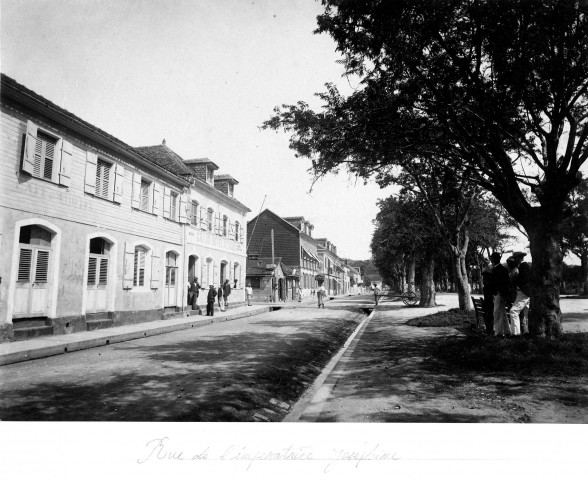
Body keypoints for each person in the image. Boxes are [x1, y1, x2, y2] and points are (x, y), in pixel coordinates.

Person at [509, 252, 531, 335]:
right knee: (526, 314)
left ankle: (515, 334)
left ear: (519, 258)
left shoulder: (524, 267)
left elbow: (525, 280)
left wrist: (516, 278)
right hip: (523, 292)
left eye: (515, 259)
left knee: (513, 311)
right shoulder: (521, 267)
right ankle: (525, 332)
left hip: (523, 293)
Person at [482, 252, 502, 334]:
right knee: (491, 313)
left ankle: (489, 329)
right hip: (490, 297)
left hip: (488, 296)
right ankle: (490, 329)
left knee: (489, 313)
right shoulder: (491, 270)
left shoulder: (489, 272)